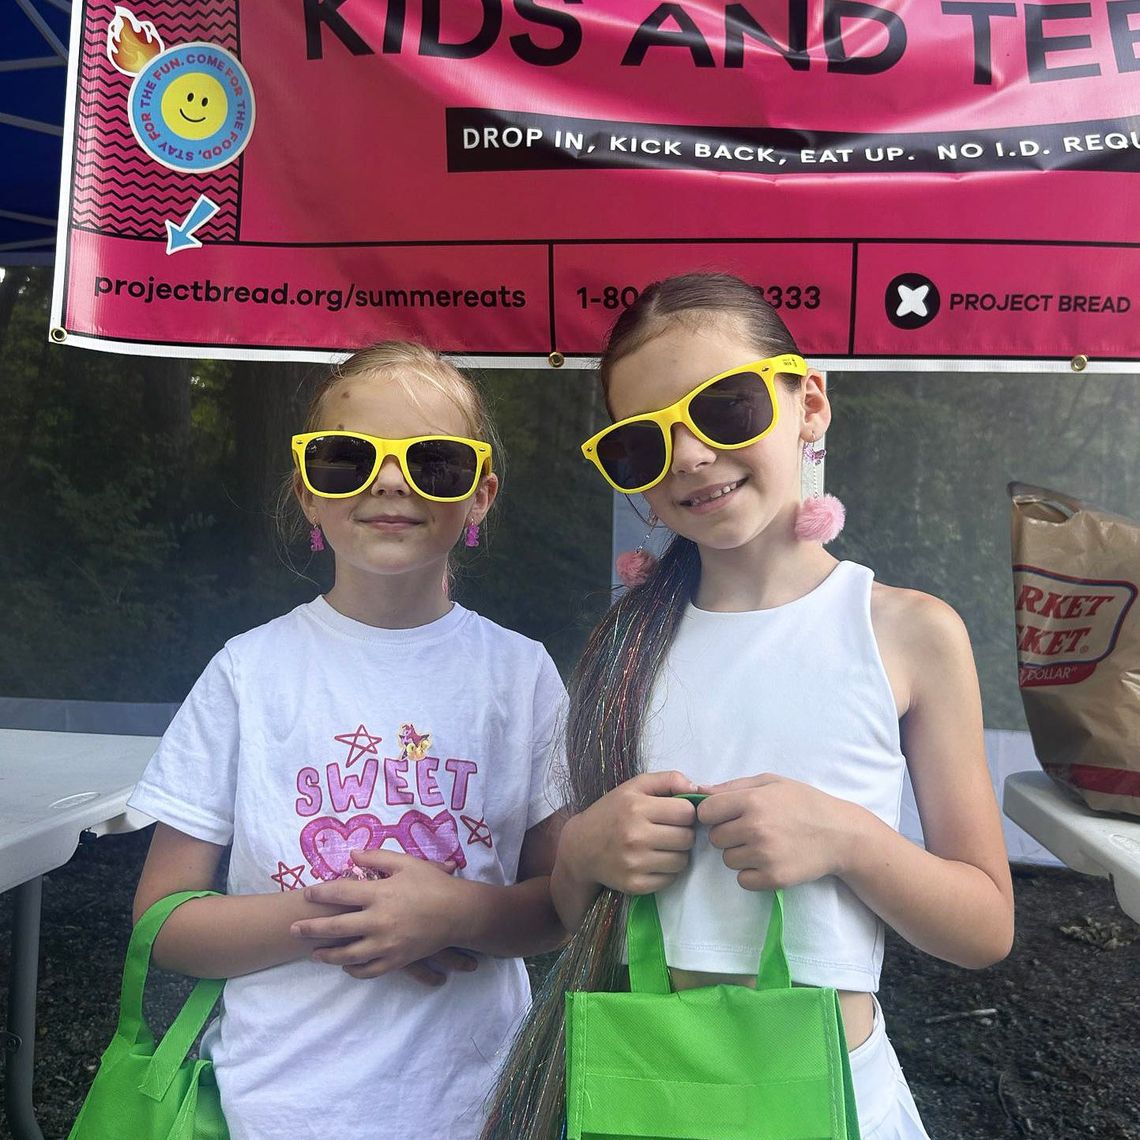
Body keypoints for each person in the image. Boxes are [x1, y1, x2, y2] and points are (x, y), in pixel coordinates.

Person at [483, 272, 1014, 1140]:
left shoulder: (909, 633)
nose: (689, 455)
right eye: (643, 446)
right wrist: (582, 850)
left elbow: (985, 927)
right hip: (643, 1101)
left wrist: (849, 838)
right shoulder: (621, 651)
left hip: (841, 1104)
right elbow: (582, 918)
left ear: (808, 403)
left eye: (723, 409)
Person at [129, 341, 568, 1140]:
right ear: (308, 493)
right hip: (277, 1108)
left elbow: (560, 908)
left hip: (479, 1108)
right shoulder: (246, 673)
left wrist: (455, 912)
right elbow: (164, 923)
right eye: (348, 458)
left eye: (434, 461)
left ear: (480, 496)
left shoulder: (523, 677)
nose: (391, 481)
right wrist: (339, 914)